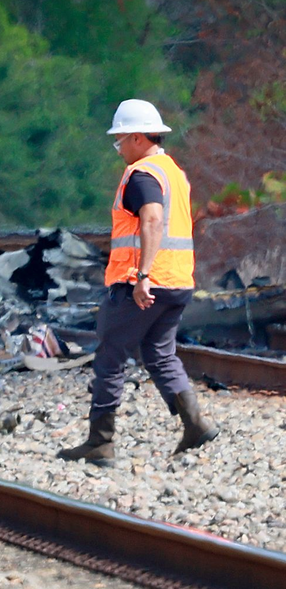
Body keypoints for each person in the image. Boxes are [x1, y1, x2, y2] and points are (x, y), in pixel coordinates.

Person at [57, 99, 218, 467]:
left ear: (135, 137)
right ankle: (195, 425)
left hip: (143, 284)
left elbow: (152, 220)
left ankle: (100, 442)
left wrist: (142, 276)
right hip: (177, 281)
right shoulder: (173, 171)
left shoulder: (142, 174)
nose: (119, 150)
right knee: (159, 354)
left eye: (120, 141)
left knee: (110, 357)